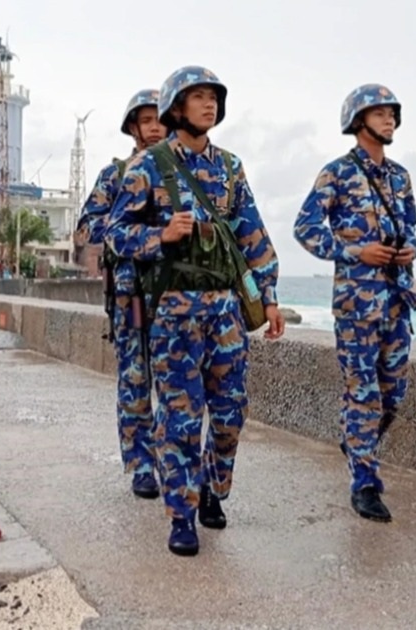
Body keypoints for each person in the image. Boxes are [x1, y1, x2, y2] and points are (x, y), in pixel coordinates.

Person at [105, 65, 285, 556]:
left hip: (226, 311)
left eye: (213, 97)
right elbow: (115, 233)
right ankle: (181, 516)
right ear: (176, 107)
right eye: (198, 96)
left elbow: (253, 235)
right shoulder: (149, 167)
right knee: (181, 418)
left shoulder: (229, 168)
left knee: (230, 412)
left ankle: (212, 487)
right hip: (174, 313)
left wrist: (269, 297)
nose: (209, 104)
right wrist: (159, 235)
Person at [293, 83, 416, 524]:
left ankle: (355, 441)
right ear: (358, 120)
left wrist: (409, 248)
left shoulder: (400, 176)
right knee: (362, 393)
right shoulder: (337, 173)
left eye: (392, 113)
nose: (390, 119)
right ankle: (365, 483)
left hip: (397, 299)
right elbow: (305, 228)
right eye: (380, 112)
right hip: (356, 305)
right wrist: (355, 252)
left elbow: (410, 225)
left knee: (393, 394)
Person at [73, 88, 167, 499]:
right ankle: (141, 464)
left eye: (161, 119)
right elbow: (85, 229)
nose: (155, 128)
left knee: (178, 386)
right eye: (147, 121)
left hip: (176, 295)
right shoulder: (115, 175)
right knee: (135, 380)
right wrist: (131, 227)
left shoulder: (183, 173)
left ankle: (172, 461)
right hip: (131, 296)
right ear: (133, 128)